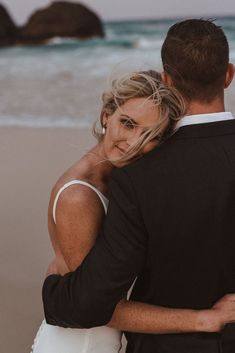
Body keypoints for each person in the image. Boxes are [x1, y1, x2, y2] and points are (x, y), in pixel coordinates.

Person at [42, 20, 235, 352]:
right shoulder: (104, 183)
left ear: (167, 80)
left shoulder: (137, 177)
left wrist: (52, 290)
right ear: (229, 74)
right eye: (127, 124)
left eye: (145, 133)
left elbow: (88, 302)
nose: (133, 143)